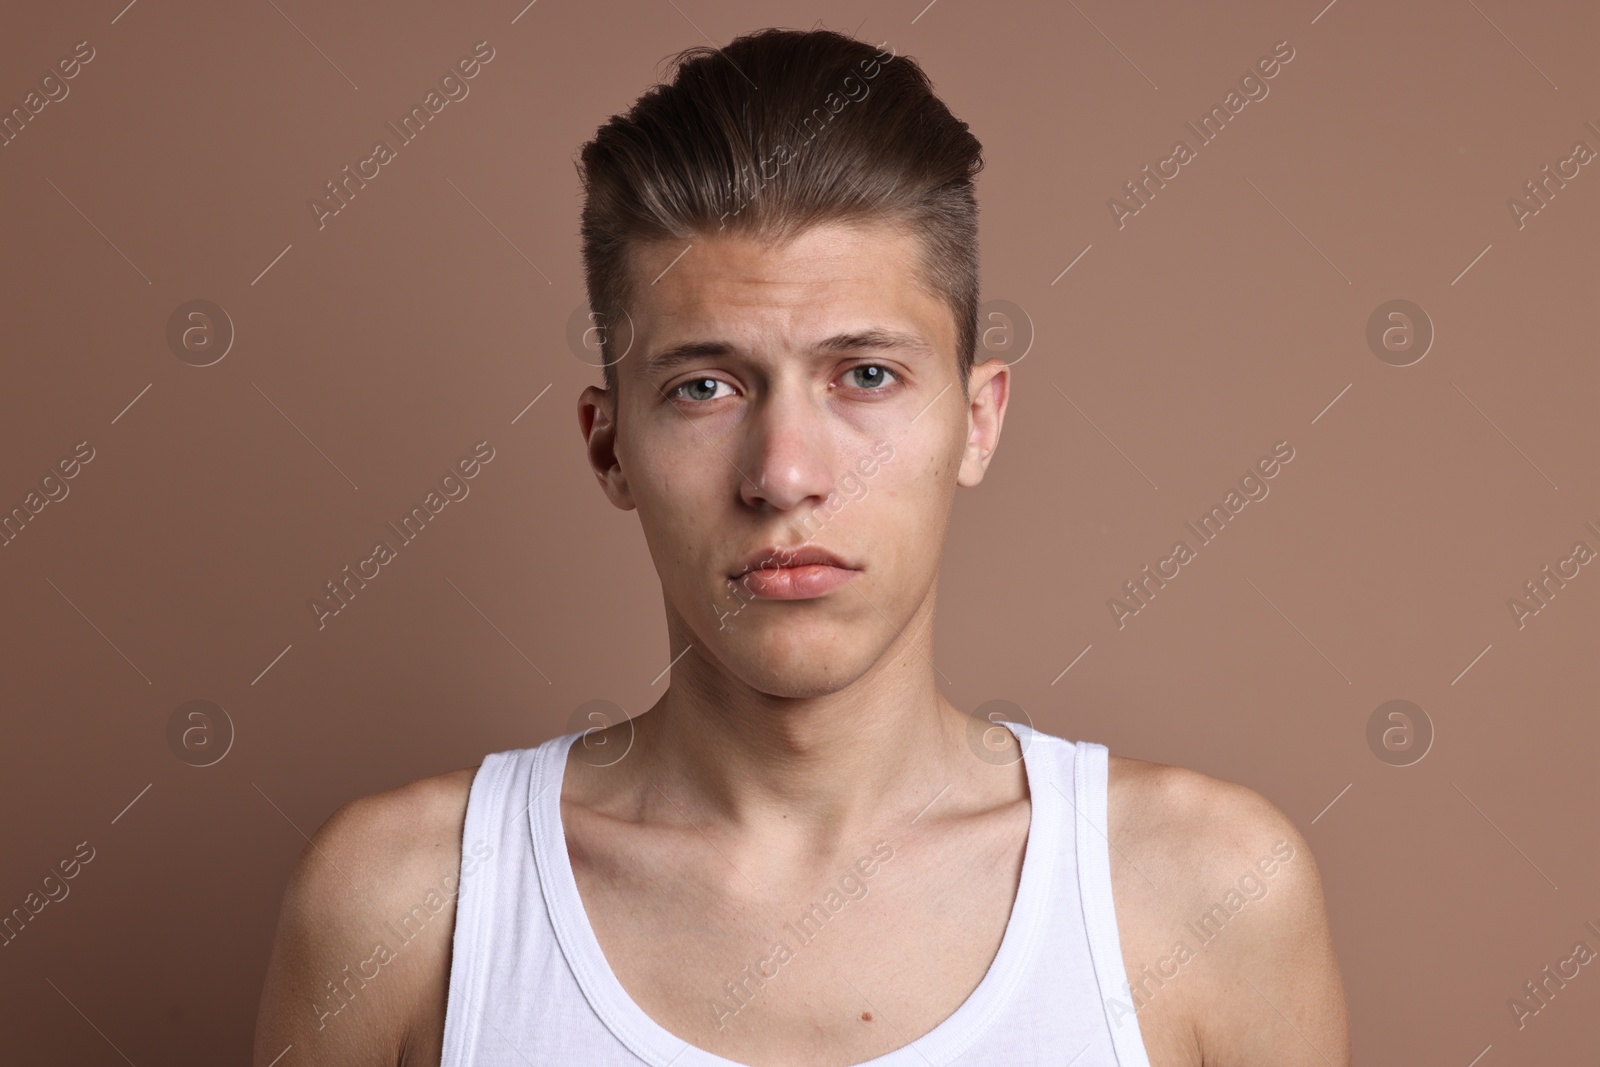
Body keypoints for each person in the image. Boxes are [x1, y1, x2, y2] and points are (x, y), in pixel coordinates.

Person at [253, 27, 1349, 1066]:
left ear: (977, 420)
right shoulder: (403, 902)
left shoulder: (1206, 893)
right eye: (704, 385)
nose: (783, 473)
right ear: (608, 446)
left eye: (865, 375)